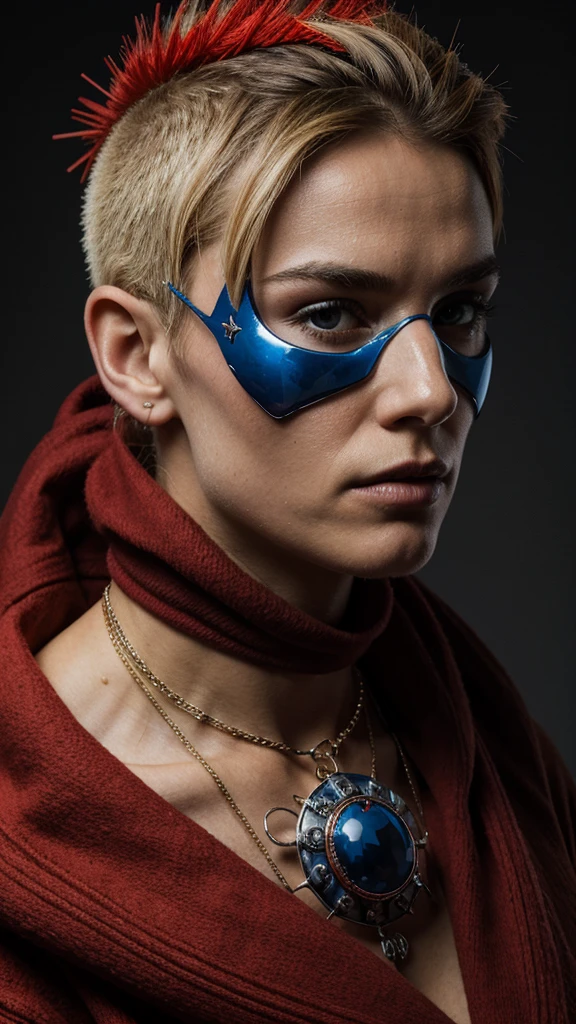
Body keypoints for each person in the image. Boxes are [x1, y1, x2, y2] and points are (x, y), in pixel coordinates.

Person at [0, 2, 574, 1022]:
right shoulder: (26, 840)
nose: (430, 391)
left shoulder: (497, 751)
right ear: (137, 356)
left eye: (460, 314)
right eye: (328, 314)